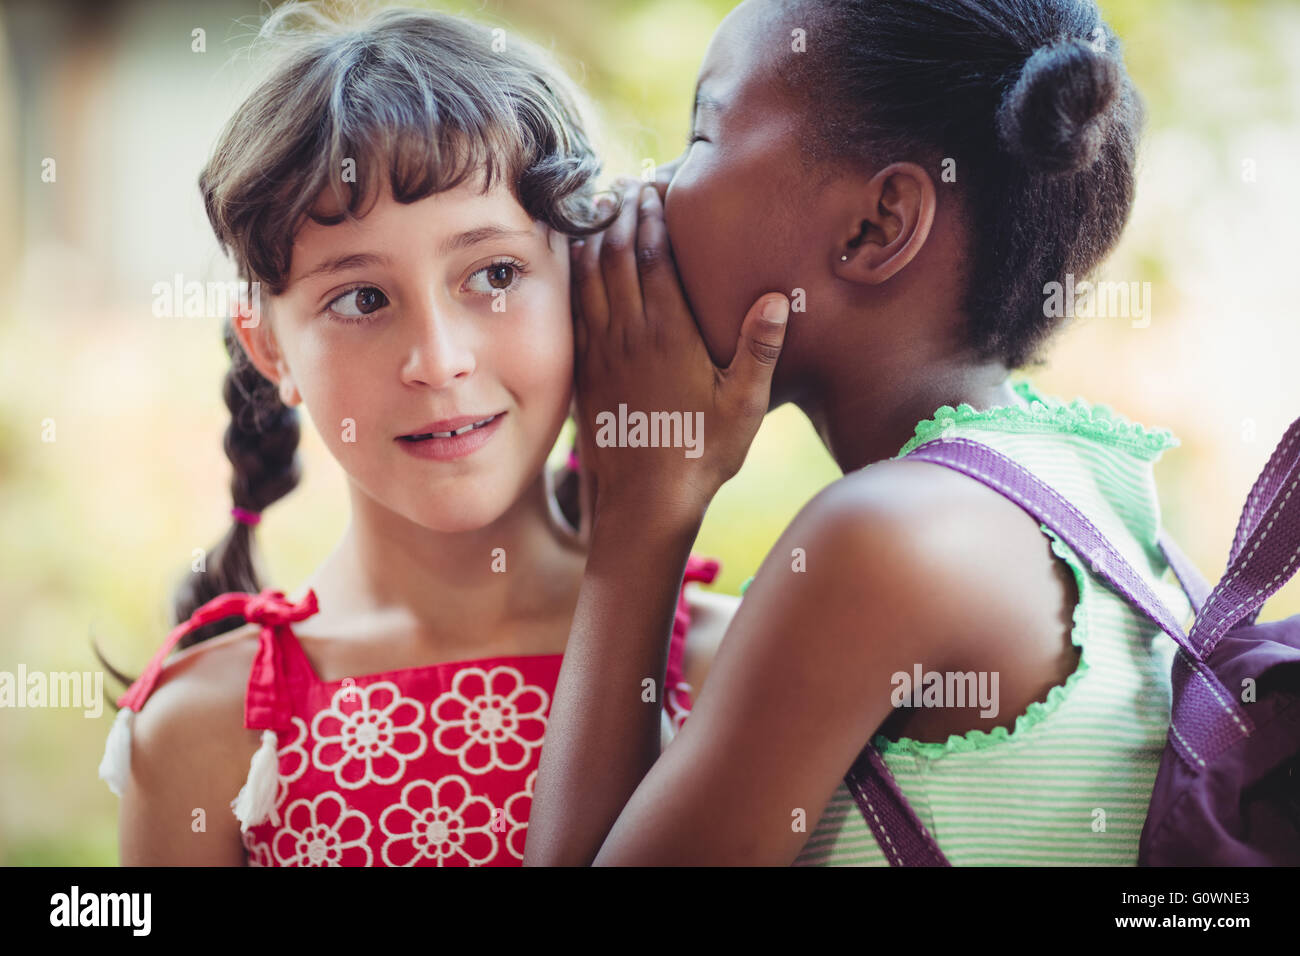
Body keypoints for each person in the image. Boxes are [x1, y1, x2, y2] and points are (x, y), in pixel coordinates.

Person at [525, 0, 1194, 865]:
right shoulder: (1090, 483)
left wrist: (642, 513)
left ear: (875, 226)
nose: (647, 188)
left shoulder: (882, 540)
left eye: (700, 134)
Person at [96, 3, 731, 867]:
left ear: (584, 282)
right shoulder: (203, 733)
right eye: (361, 299)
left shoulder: (731, 664)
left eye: (495, 273)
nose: (438, 361)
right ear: (270, 346)